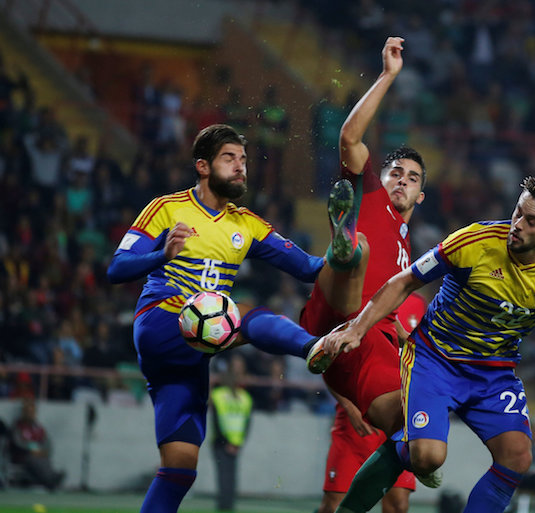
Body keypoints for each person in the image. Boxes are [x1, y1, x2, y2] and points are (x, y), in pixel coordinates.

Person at [316, 175, 535, 513]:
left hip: (494, 373)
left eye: (532, 221)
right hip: (435, 359)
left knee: (517, 456)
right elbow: (405, 281)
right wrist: (356, 328)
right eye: (518, 213)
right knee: (426, 459)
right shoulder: (476, 240)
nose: (518, 225)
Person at [107, 124, 326, 513]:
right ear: (203, 166)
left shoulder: (247, 224)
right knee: (248, 314)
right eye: (230, 158)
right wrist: (162, 255)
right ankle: (314, 348)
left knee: (180, 469)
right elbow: (118, 268)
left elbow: (310, 269)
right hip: (161, 320)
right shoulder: (168, 208)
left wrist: (344, 251)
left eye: (243, 160)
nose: (241, 167)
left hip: (195, 351)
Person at [301, 35, 430, 485]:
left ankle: (416, 459)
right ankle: (344, 247)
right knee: (361, 251)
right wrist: (387, 75)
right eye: (397, 172)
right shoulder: (373, 194)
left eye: (412, 178)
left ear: (421, 194)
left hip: (360, 341)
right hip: (335, 304)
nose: (402, 181)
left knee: (404, 427)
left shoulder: (410, 253)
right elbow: (349, 137)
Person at [317, 293, 427, 513]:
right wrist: (349, 406)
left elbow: (421, 356)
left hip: (397, 417)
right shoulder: (359, 294)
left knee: (398, 505)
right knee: (334, 505)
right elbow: (325, 357)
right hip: (356, 419)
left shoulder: (419, 303)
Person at [210, 353, 253, 512]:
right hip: (222, 442)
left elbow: (247, 423)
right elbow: (217, 422)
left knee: (229, 475)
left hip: (234, 442)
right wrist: (228, 442)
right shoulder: (219, 395)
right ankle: (224, 504)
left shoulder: (244, 397)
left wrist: (239, 442)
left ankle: (228, 504)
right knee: (225, 475)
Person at [9, 397, 65, 491]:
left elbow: (47, 443)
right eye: (28, 411)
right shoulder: (18, 426)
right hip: (24, 455)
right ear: (24, 412)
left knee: (44, 459)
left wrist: (43, 451)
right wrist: (32, 450)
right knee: (35, 459)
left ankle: (51, 478)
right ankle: (50, 480)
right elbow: (18, 442)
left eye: (32, 412)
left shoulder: (38, 428)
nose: (30, 414)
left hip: (38, 454)